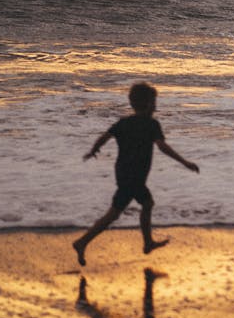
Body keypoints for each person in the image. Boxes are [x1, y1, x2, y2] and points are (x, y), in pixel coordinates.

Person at [73, 82, 198, 266]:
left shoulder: (123, 123)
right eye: (154, 102)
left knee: (146, 203)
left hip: (124, 173)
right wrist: (185, 162)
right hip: (134, 177)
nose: (156, 106)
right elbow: (162, 147)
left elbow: (104, 137)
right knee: (114, 214)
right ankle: (82, 242)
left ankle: (147, 243)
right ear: (148, 104)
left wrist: (93, 151)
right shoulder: (151, 124)